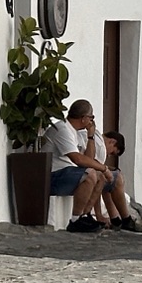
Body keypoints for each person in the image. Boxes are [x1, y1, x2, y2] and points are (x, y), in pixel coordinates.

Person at [41, 100, 107, 233]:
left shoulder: (74, 131)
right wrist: (104, 167)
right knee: (90, 174)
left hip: (66, 173)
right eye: (91, 117)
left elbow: (88, 158)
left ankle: (85, 215)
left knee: (100, 176)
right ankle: (75, 220)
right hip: (53, 176)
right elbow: (77, 159)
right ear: (83, 118)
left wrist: (91, 137)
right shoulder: (63, 129)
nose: (92, 121)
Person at [99, 131, 142, 233]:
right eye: (112, 152)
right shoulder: (99, 145)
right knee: (113, 178)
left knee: (110, 177)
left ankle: (115, 219)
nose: (109, 156)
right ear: (112, 142)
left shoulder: (98, 142)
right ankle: (126, 219)